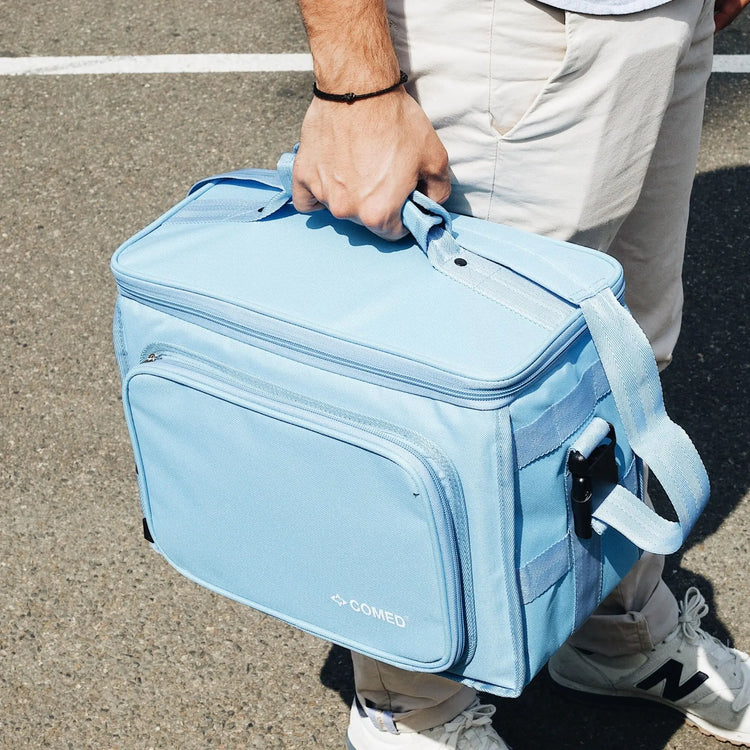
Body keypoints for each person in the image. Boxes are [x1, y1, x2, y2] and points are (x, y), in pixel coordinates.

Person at [291, 0, 750, 747]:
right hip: (511, 30)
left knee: (624, 368)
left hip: (667, 14)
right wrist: (355, 86)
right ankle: (411, 709)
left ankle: (616, 634)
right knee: (461, 413)